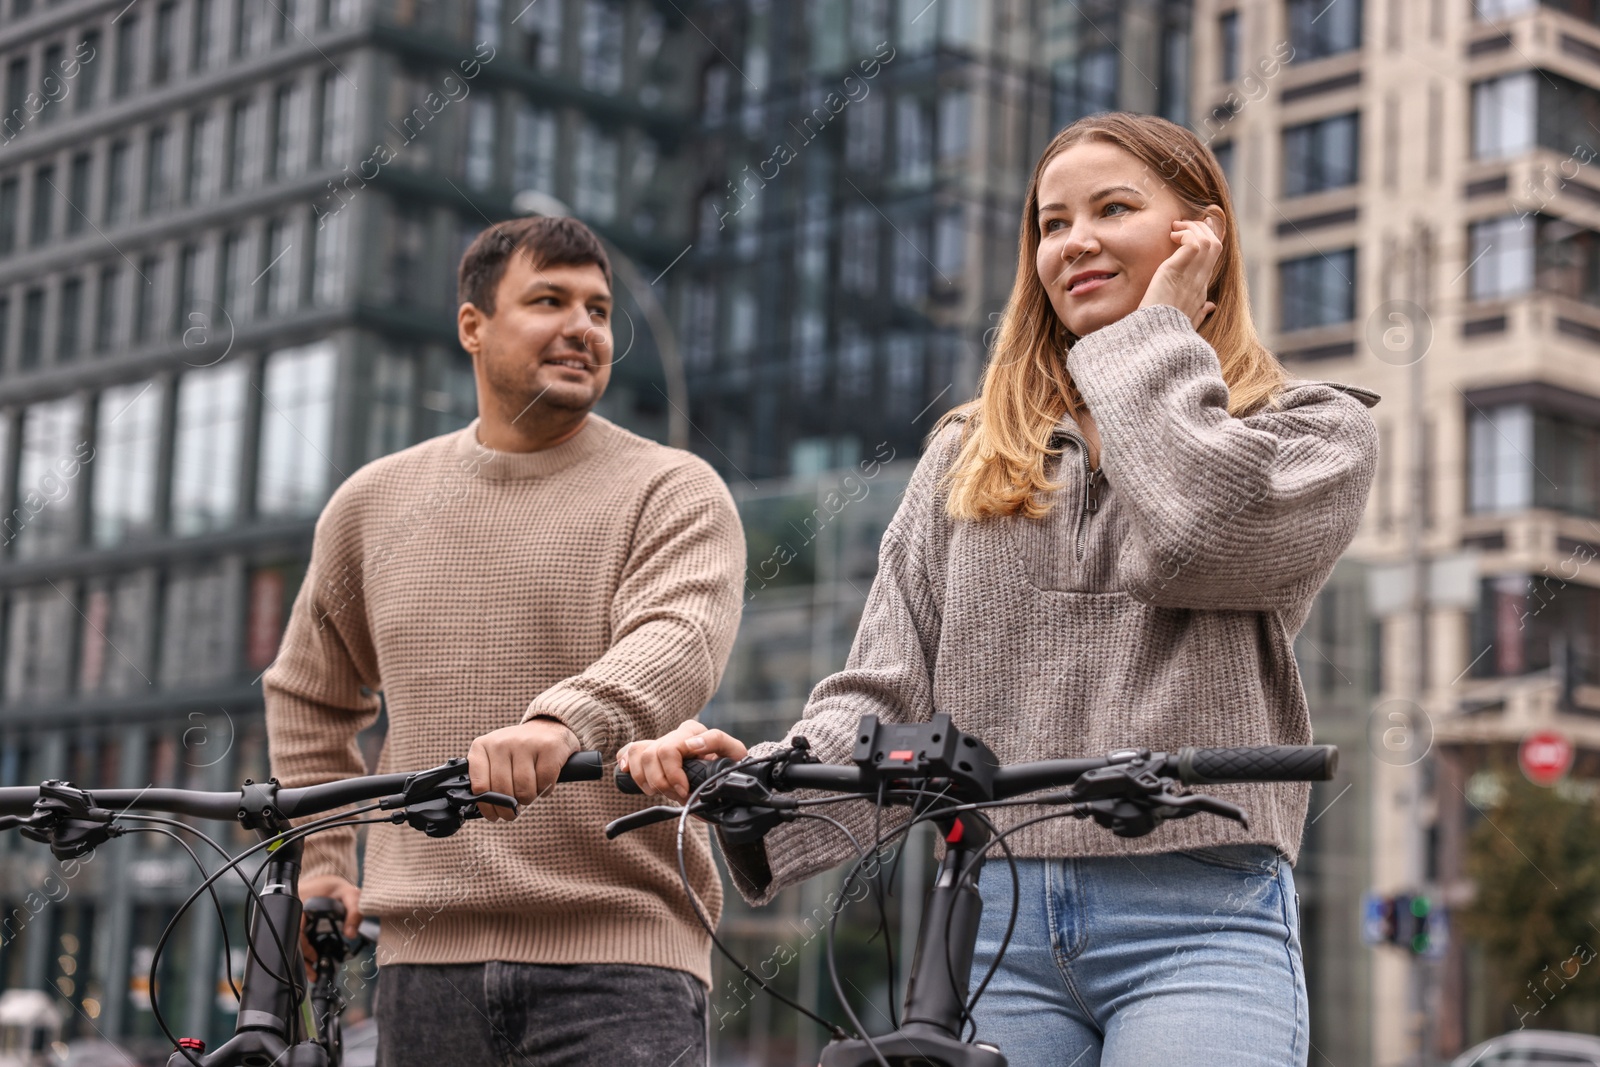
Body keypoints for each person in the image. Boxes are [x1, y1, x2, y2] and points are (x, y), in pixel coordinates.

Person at [619, 111, 1380, 1066]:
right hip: (991, 922)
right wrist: (754, 781)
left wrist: (1151, 340)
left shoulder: (1309, 430)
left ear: (1202, 237)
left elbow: (1195, 536)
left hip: (1200, 916)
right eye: (1053, 223)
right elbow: (883, 696)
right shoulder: (966, 457)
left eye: (1113, 208)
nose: (1077, 241)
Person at [265, 215, 745, 1067]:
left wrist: (562, 723)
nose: (583, 328)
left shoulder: (672, 488)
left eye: (599, 310)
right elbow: (310, 694)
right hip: (421, 964)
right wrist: (324, 860)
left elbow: (676, 639)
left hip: (622, 962)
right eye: (549, 300)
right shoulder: (372, 504)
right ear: (472, 325)